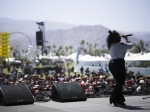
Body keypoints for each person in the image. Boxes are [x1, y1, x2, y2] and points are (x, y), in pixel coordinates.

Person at [106, 30, 133, 106]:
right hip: (118, 64)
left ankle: (119, 100)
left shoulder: (112, 44)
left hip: (112, 64)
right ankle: (113, 97)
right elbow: (130, 45)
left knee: (119, 83)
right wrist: (126, 38)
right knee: (120, 82)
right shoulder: (119, 44)